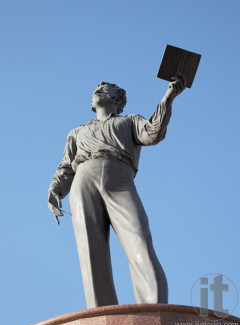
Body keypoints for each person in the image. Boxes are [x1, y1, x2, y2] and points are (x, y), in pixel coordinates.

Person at [48, 75, 185, 308]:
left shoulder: (129, 121)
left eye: (104, 88)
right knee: (90, 252)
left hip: (119, 178)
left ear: (117, 99)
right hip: (83, 179)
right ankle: (100, 313)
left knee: (139, 238)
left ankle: (154, 310)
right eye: (97, 88)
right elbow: (65, 167)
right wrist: (55, 190)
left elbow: (153, 132)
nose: (98, 90)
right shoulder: (76, 132)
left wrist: (168, 97)